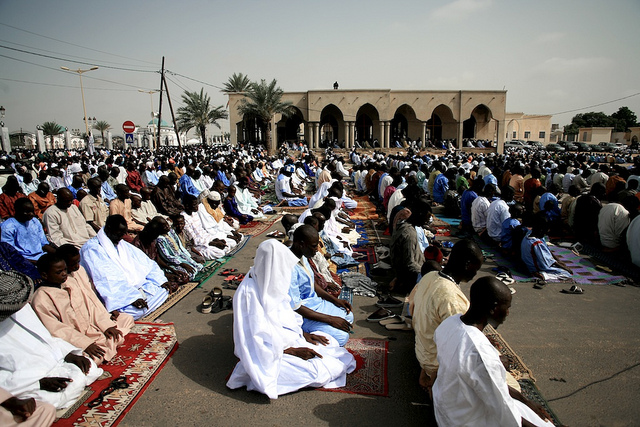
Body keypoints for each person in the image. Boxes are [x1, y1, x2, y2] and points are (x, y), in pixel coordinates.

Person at [226, 239, 356, 399]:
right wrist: (290, 351)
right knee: (320, 370)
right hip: (266, 355)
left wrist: (303, 335)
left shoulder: (270, 280)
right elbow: (251, 340)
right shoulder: (248, 294)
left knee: (332, 347)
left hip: (288, 339)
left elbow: (286, 316)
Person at [433, 276, 553, 426]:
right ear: (494, 308)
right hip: (462, 421)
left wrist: (525, 401)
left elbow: (494, 387)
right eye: (507, 307)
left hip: (446, 410)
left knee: (522, 407)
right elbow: (505, 413)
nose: (508, 313)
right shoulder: (480, 353)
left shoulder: (449, 323)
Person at [0, 270, 103, 410]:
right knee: (49, 400)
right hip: (25, 379)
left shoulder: (18, 306)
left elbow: (44, 338)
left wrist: (68, 354)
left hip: (52, 362)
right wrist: (37, 383)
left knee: (88, 367)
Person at [31, 251, 134, 365]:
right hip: (72, 340)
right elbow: (56, 330)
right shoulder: (41, 298)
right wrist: (85, 343)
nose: (65, 274)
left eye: (65, 270)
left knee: (123, 325)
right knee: (95, 359)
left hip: (90, 329)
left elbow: (90, 306)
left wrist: (105, 325)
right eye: (59, 272)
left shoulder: (67, 285)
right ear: (45, 275)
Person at [410, 239, 484, 394]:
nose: (474, 274)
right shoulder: (451, 299)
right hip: (434, 364)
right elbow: (459, 349)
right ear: (467, 265)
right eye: (475, 269)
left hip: (421, 351)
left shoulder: (430, 277)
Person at [80, 215, 170, 320]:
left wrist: (160, 280)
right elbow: (107, 280)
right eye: (119, 234)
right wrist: (131, 298)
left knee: (163, 290)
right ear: (109, 229)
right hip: (117, 295)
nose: (122, 237)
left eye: (124, 233)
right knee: (133, 311)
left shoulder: (120, 243)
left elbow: (145, 263)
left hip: (133, 287)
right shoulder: (92, 249)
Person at [289, 225, 354, 346]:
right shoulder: (289, 267)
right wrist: (330, 319)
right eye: (314, 246)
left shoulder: (303, 256)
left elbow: (311, 283)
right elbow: (296, 307)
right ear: (301, 244)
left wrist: (335, 301)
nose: (317, 250)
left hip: (315, 304)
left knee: (348, 315)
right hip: (303, 314)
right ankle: (305, 334)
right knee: (342, 337)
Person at [390, 196, 432, 292]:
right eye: (427, 217)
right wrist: (428, 274)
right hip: (409, 278)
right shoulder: (409, 233)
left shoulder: (405, 226)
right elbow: (410, 264)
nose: (427, 221)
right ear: (421, 214)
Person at [521, 213, 572, 282]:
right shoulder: (537, 244)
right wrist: (564, 268)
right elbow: (547, 262)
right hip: (534, 268)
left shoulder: (528, 235)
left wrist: (559, 261)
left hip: (528, 264)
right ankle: (542, 275)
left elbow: (547, 251)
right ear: (542, 229)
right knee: (566, 274)